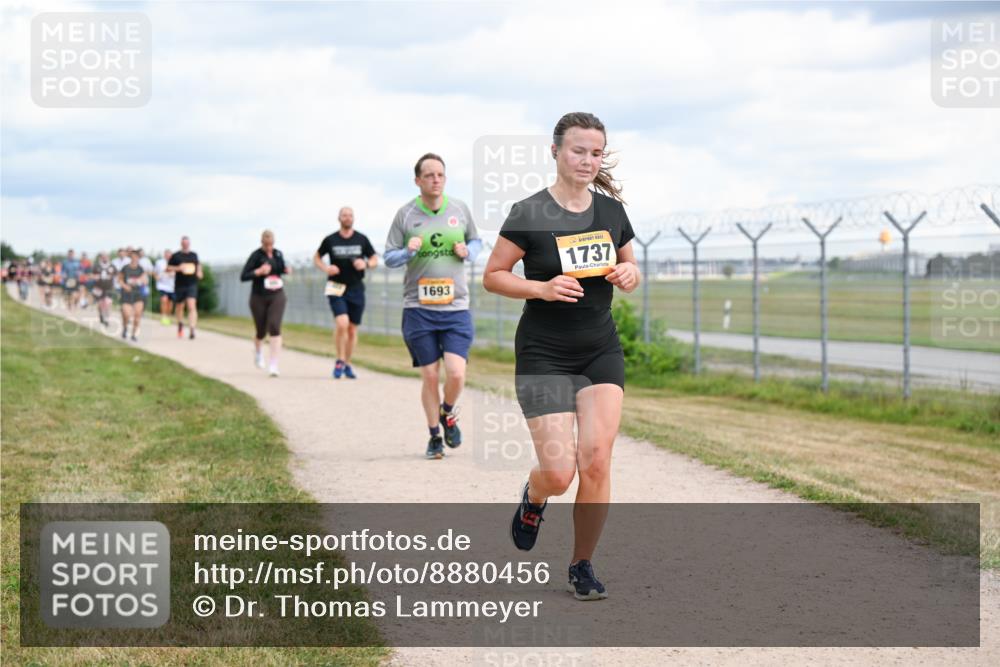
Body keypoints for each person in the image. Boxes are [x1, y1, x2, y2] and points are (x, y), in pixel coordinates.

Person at [483, 112, 640, 601]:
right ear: (555, 152)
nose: (588, 160)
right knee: (559, 472)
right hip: (544, 352)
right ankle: (534, 497)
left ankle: (582, 565)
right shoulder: (529, 212)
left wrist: (631, 275)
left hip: (599, 350)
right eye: (578, 151)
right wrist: (540, 287)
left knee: (595, 461)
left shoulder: (611, 213)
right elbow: (494, 274)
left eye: (596, 152)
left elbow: (631, 263)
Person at [384, 153, 482, 460]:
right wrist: (406, 252)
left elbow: (477, 242)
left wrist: (469, 250)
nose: (435, 179)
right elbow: (388, 257)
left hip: (455, 307)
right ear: (418, 180)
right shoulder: (406, 214)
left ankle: (448, 412)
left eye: (440, 174)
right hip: (419, 308)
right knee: (429, 376)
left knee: (455, 374)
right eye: (429, 175)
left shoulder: (460, 209)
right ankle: (434, 437)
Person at [313, 206, 378, 379]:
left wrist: (366, 264)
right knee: (342, 323)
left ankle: (348, 363)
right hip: (335, 286)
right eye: (344, 215)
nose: (347, 218)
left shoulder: (361, 239)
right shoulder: (331, 239)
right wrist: (326, 268)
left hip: (356, 287)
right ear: (339, 218)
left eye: (350, 215)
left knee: (352, 330)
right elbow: (317, 257)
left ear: (353, 218)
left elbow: (374, 258)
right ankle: (340, 360)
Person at [241, 230, 291, 377]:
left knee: (274, 326)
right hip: (259, 297)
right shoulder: (256, 256)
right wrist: (258, 272)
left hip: (277, 294)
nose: (269, 247)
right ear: (262, 242)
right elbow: (243, 276)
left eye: (271, 244)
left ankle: (274, 364)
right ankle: (258, 352)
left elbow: (281, 268)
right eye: (266, 244)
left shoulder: (278, 254)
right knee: (261, 331)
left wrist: (287, 270)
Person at [167, 236, 202, 339]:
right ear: (181, 244)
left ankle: (192, 328)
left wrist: (199, 271)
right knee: (179, 307)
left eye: (187, 243)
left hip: (192, 284)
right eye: (184, 243)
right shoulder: (176, 256)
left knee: (192, 306)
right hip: (180, 285)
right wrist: (178, 268)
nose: (185, 245)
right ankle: (180, 324)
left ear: (189, 244)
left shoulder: (194, 255)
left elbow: (198, 265)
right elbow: (168, 268)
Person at [117, 250, 148, 341]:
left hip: (137, 294)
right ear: (131, 258)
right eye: (133, 257)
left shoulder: (141, 269)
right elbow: (119, 280)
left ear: (138, 258)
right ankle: (125, 328)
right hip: (126, 294)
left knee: (137, 316)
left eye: (136, 257)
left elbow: (145, 280)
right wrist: (125, 286)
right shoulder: (125, 268)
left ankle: (134, 334)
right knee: (127, 314)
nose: (134, 259)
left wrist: (141, 281)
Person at [92, 252, 116, 327]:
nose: (105, 258)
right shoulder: (96, 266)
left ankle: (106, 319)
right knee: (100, 304)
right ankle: (101, 315)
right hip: (99, 288)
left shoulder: (112, 266)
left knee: (108, 303)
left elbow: (116, 275)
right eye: (103, 257)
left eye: (106, 257)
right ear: (101, 258)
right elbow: (91, 275)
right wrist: (95, 277)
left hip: (109, 288)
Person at [154, 249, 175, 325]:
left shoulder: (175, 263)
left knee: (170, 303)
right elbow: (155, 272)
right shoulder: (159, 262)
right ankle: (163, 317)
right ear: (164, 254)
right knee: (164, 300)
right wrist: (157, 277)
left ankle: (168, 316)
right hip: (162, 285)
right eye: (167, 254)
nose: (168, 256)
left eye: (169, 254)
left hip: (172, 286)